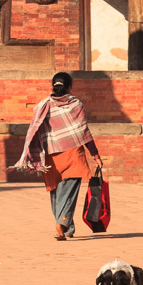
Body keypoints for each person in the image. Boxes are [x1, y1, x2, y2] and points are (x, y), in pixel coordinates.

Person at [18, 72, 102, 241]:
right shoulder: (76, 104)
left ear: (53, 86)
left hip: (50, 157)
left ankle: (67, 227)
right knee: (68, 192)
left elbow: (34, 131)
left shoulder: (42, 106)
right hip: (72, 154)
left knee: (57, 193)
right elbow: (83, 132)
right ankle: (60, 225)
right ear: (69, 86)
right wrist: (95, 154)